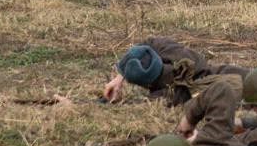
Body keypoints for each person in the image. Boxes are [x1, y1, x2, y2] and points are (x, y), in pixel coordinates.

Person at [102, 37, 249, 107]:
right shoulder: (171, 52)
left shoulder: (166, 95)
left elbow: (139, 105)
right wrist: (120, 76)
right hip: (235, 73)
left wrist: (121, 77)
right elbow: (149, 44)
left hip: (233, 89)